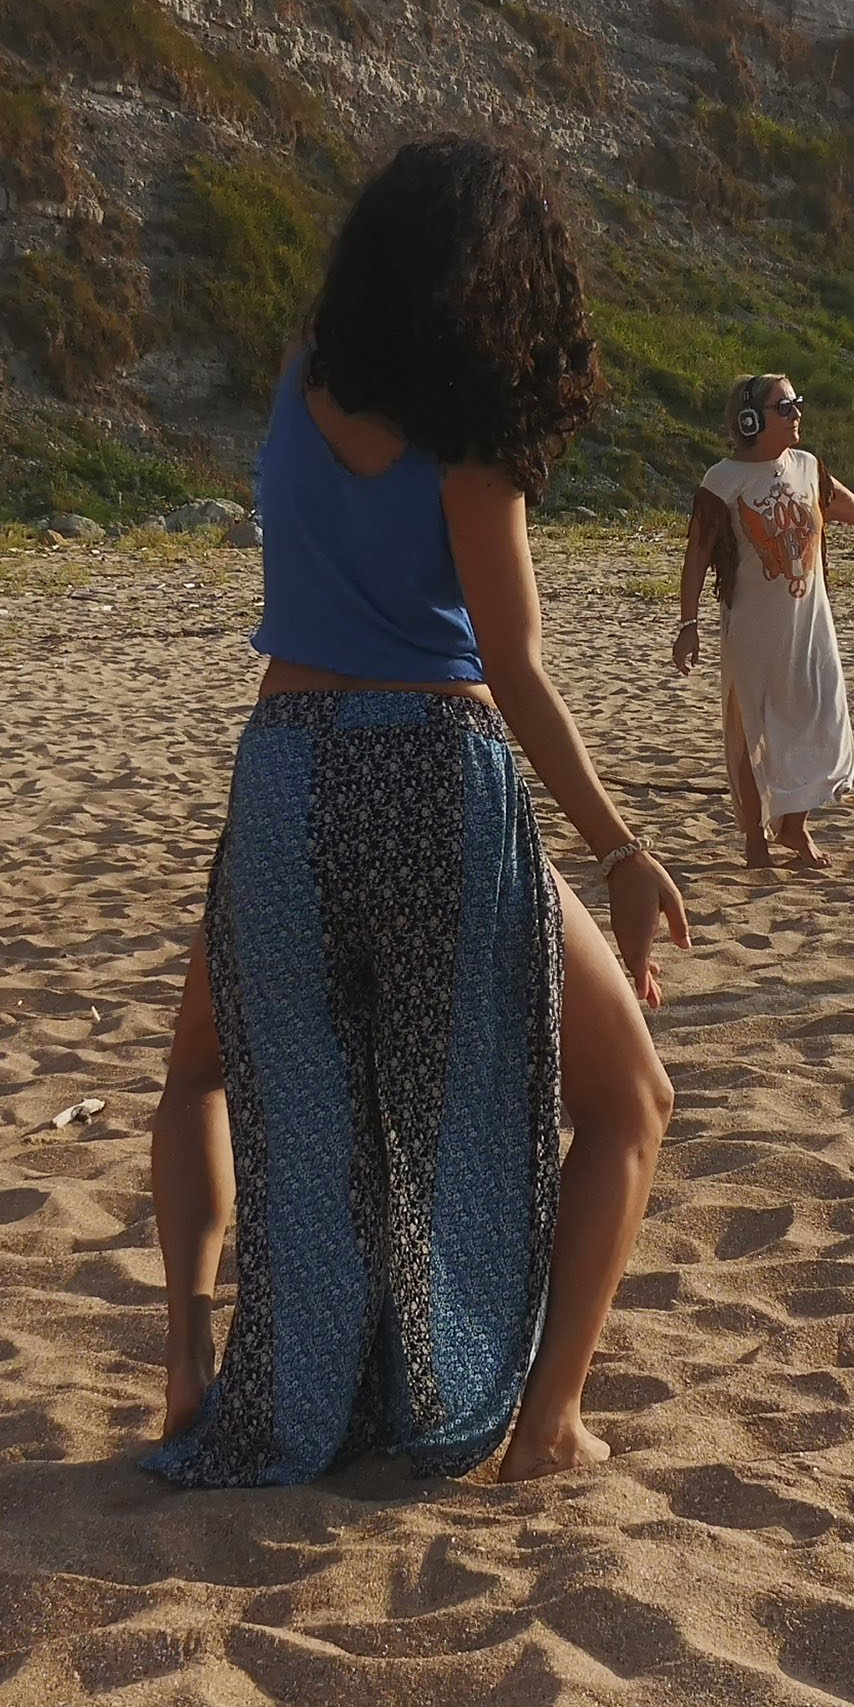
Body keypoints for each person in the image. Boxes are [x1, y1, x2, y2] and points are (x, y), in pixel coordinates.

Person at [147, 138, 688, 1490]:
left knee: (202, 1065)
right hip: (430, 774)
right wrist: (619, 848)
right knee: (629, 1101)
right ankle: (547, 1425)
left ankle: (187, 1364)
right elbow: (511, 668)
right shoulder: (469, 438)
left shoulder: (303, 368)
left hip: (281, 770)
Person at [674, 373, 854, 869]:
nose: (797, 413)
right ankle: (756, 838)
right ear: (751, 419)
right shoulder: (723, 480)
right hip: (753, 630)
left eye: (798, 403)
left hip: (809, 623)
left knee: (815, 716)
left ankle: (793, 829)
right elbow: (697, 554)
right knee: (752, 728)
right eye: (786, 406)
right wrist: (687, 623)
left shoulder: (806, 467)